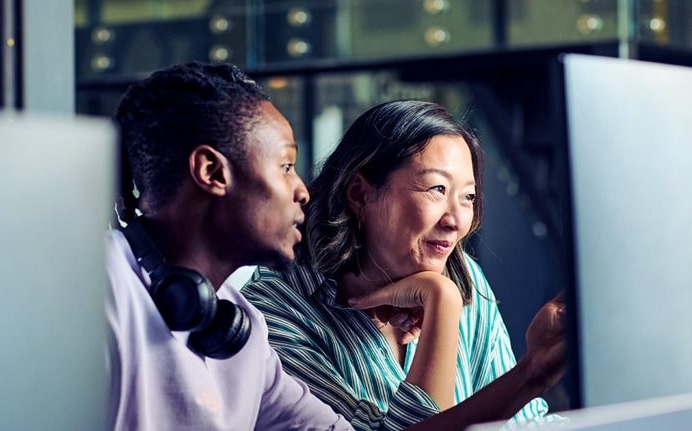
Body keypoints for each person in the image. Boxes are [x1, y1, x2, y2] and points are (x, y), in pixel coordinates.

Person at [241, 100, 566, 430]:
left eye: (467, 196)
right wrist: (442, 302)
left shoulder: (463, 273)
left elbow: (522, 426)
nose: (456, 221)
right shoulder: (272, 313)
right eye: (437, 189)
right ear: (360, 194)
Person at [106, 62, 353, 430]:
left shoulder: (241, 330)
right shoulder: (101, 282)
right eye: (286, 166)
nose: (303, 191)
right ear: (212, 172)